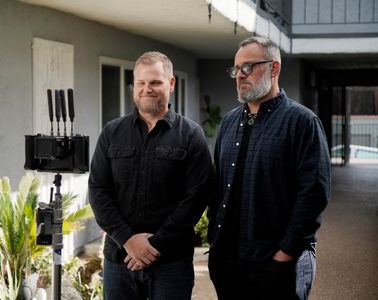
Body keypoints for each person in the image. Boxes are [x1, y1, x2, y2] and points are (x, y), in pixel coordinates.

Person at [207, 36, 331, 300]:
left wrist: (284, 255)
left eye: (248, 67)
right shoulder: (229, 123)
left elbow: (314, 194)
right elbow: (219, 187)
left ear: (274, 68)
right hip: (229, 264)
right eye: (236, 69)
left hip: (278, 263)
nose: (239, 75)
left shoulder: (302, 122)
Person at [88, 51, 212, 300]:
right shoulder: (112, 132)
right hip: (119, 260)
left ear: (171, 83)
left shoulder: (190, 135)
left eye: (155, 82)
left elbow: (197, 197)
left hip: (171, 263)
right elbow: (99, 190)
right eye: (141, 83)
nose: (147, 89)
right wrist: (128, 240)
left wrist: (155, 245)